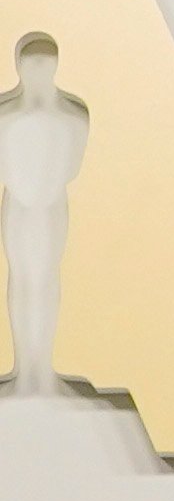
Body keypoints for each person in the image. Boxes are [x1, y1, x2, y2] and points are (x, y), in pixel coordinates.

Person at [2, 33, 89, 396]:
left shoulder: (74, 115)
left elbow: (72, 167)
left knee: (46, 280)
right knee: (23, 279)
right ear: (19, 66)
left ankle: (42, 370)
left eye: (45, 63)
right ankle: (26, 371)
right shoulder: (5, 116)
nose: (39, 71)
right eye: (32, 63)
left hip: (51, 208)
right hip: (20, 209)